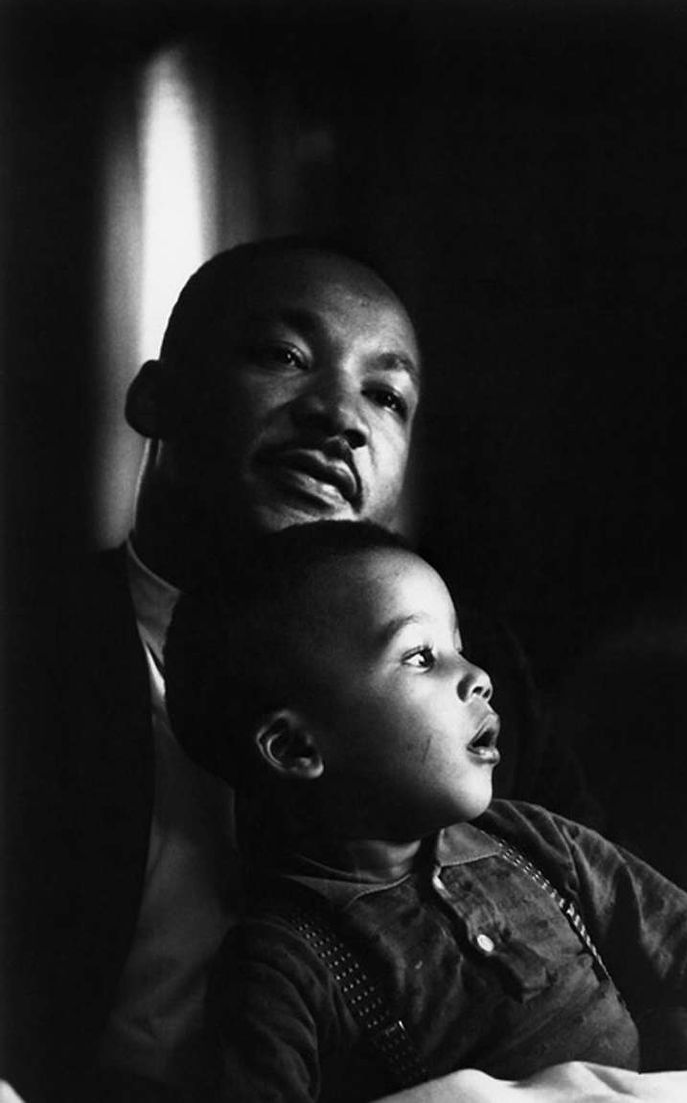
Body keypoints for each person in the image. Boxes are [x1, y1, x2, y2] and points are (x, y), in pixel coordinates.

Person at [4, 238, 592, 1103]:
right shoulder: (28, 643)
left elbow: (600, 928)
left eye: (385, 395)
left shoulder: (477, 670)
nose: (339, 416)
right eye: (284, 356)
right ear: (153, 396)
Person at [164, 519, 687, 1103]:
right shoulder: (283, 961)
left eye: (459, 648)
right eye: (420, 656)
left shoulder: (537, 839)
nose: (478, 679)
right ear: (297, 748)